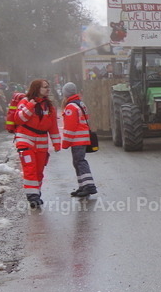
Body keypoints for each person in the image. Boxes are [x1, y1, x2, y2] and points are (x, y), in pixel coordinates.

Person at [13, 79, 62, 208]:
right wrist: (31, 106)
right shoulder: (25, 102)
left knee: (39, 169)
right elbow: (19, 119)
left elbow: (53, 127)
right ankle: (32, 195)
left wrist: (57, 144)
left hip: (41, 141)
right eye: (45, 87)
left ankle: (36, 191)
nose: (47, 89)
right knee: (30, 167)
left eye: (48, 87)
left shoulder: (49, 106)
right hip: (25, 139)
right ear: (36, 88)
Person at [60, 82, 98, 197]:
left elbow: (70, 128)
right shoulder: (80, 103)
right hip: (82, 138)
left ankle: (89, 186)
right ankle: (83, 186)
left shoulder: (71, 107)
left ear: (65, 93)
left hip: (77, 139)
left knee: (80, 162)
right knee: (77, 162)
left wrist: (65, 143)